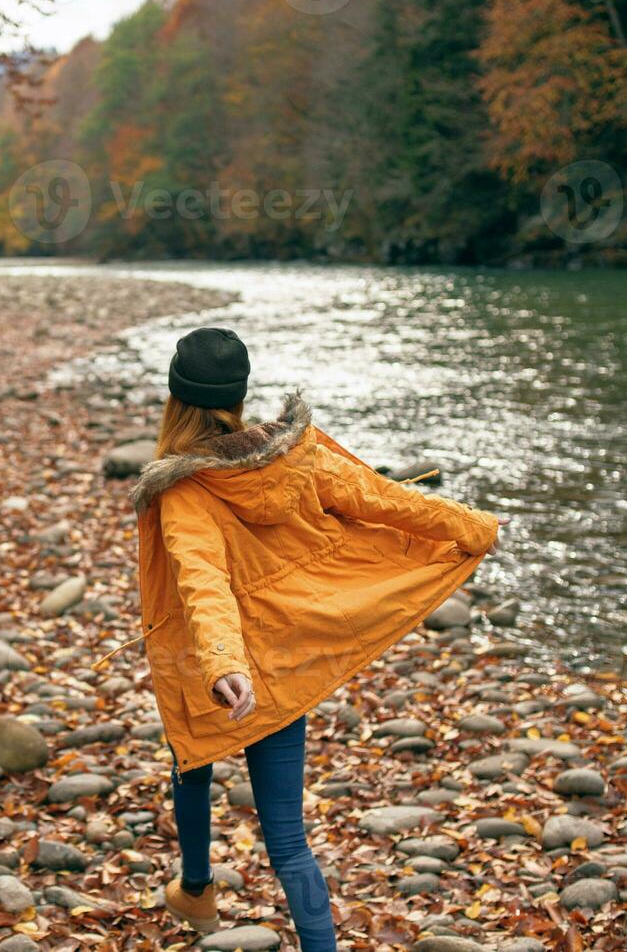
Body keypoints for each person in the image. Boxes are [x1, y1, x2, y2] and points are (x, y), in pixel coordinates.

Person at [122, 326, 506, 951]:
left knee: (190, 757)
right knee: (288, 839)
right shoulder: (297, 456)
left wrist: (223, 662)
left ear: (175, 397)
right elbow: (385, 498)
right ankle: (222, 902)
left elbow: (202, 582)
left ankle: (196, 888)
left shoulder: (185, 491)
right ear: (239, 395)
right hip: (287, 664)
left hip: (222, 669)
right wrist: (475, 525)